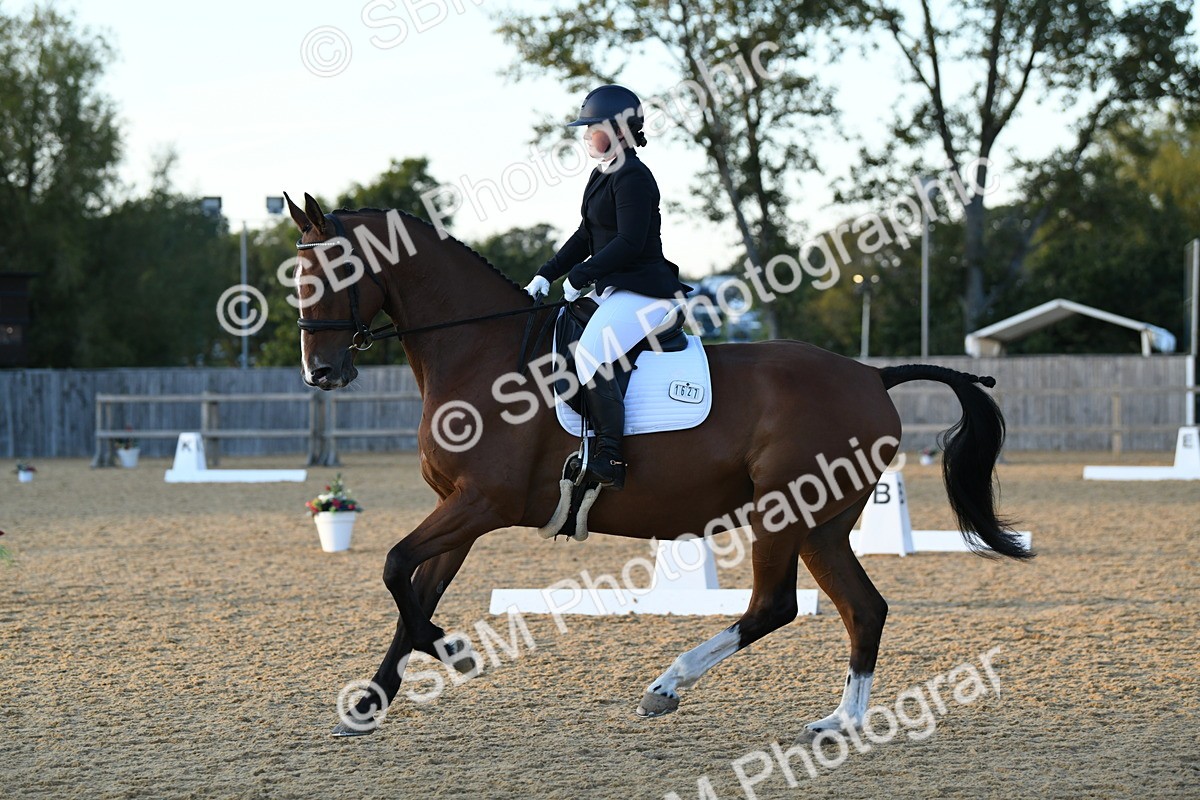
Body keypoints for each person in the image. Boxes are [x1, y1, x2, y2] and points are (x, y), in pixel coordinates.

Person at [524, 84, 689, 491]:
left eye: (591, 128)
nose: (585, 137)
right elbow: (586, 234)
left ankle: (610, 455)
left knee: (592, 351)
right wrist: (548, 273)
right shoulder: (602, 174)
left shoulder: (633, 176)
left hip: (645, 290)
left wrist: (580, 277)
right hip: (615, 288)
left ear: (617, 130)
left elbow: (629, 243)